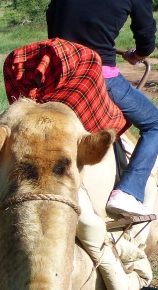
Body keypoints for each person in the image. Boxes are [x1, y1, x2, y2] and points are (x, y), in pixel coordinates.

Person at [47, 0, 158, 217]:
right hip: (100, 75)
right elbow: (146, 42)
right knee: (154, 123)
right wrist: (136, 56)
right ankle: (128, 192)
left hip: (57, 73)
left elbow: (52, 22)